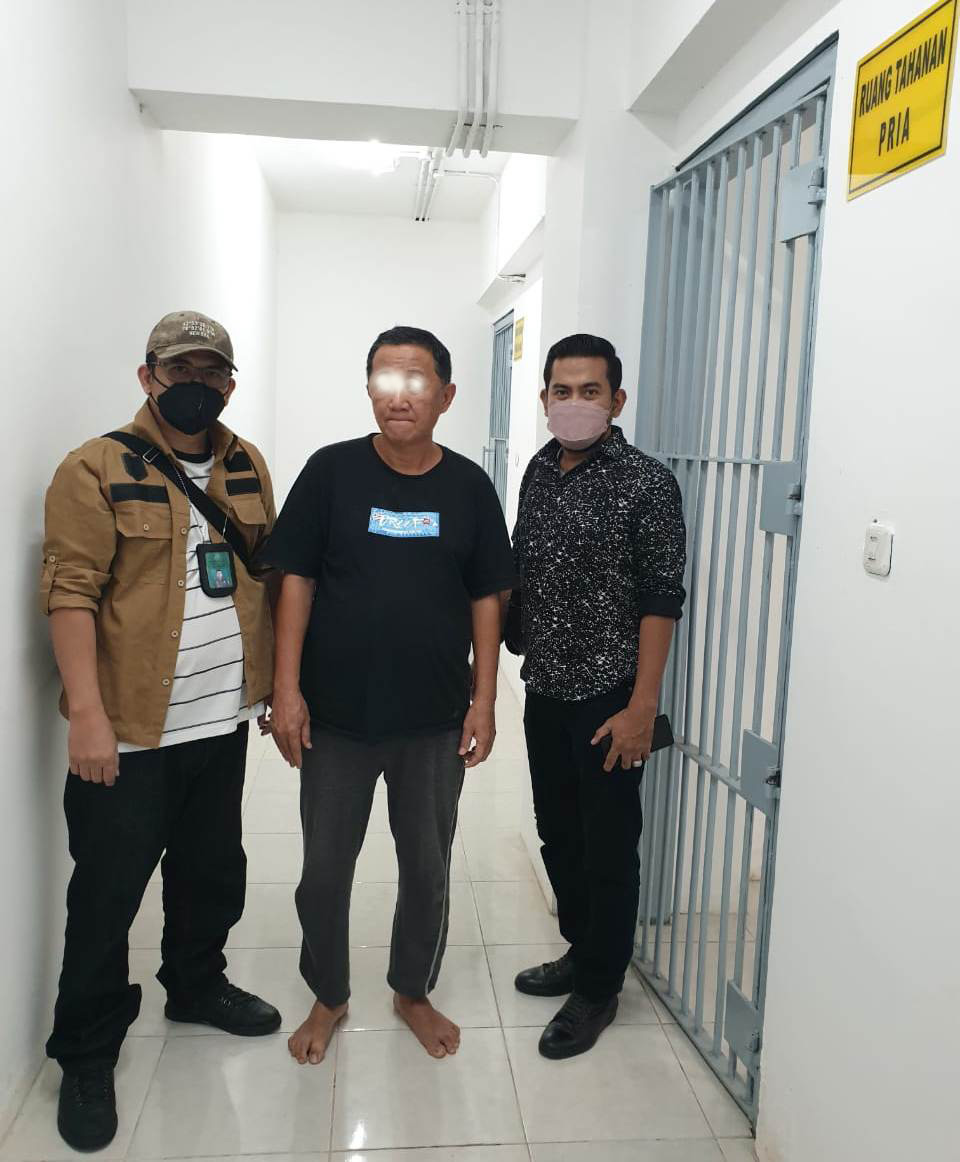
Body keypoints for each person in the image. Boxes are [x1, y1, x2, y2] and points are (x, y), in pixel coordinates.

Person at [40, 311, 281, 1152]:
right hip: (131, 732)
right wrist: (88, 717)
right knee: (106, 898)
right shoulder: (95, 468)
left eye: (212, 373)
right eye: (182, 370)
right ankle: (86, 1052)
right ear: (148, 376)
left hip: (220, 723)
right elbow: (70, 591)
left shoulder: (247, 463)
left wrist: (272, 688)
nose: (197, 385)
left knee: (212, 872)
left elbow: (265, 573)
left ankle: (196, 984)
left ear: (229, 386)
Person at [265, 325, 516, 1064]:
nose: (398, 396)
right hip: (335, 717)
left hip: (432, 719)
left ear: (446, 394)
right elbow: (295, 579)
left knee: (427, 868)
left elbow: (488, 597)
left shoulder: (468, 486)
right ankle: (329, 993)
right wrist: (286, 688)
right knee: (323, 872)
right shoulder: (331, 472)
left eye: (415, 380)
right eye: (384, 379)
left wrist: (484, 700)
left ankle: (412, 990)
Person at [510, 333, 686, 1059]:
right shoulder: (538, 469)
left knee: (608, 844)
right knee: (558, 832)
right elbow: (521, 565)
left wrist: (642, 707)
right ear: (544, 397)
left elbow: (661, 597)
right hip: (545, 688)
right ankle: (581, 950)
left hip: (610, 695)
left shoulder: (647, 482)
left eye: (590, 391)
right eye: (563, 390)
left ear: (617, 400)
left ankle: (600, 987)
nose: (575, 403)